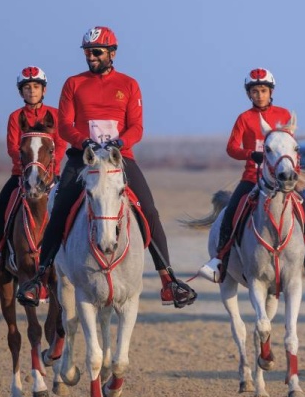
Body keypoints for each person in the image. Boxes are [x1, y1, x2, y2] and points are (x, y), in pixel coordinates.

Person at [16, 26, 197, 309]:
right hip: (82, 158)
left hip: (119, 157)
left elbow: (137, 126)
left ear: (112, 53)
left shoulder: (129, 84)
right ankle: (40, 278)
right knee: (61, 208)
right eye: (88, 52)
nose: (91, 57)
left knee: (148, 209)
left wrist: (121, 142)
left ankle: (168, 280)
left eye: (97, 52)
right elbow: (64, 125)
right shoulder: (73, 84)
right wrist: (83, 141)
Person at [198, 67, 305, 283]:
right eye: (255, 92)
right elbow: (231, 148)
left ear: (270, 91)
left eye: (263, 90)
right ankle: (220, 261)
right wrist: (250, 154)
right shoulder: (244, 118)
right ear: (249, 94)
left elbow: (292, 148)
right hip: (251, 179)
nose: (259, 95)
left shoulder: (283, 115)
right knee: (231, 212)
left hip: (281, 182)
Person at [0, 67, 67, 275]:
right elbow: (12, 147)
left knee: (74, 205)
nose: (32, 91)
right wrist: (28, 167)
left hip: (51, 175)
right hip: (21, 175)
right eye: (27, 87)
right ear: (21, 92)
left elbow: (61, 144)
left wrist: (50, 168)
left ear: (43, 90)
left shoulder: (55, 115)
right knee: (2, 207)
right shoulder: (15, 117)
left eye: (36, 87)